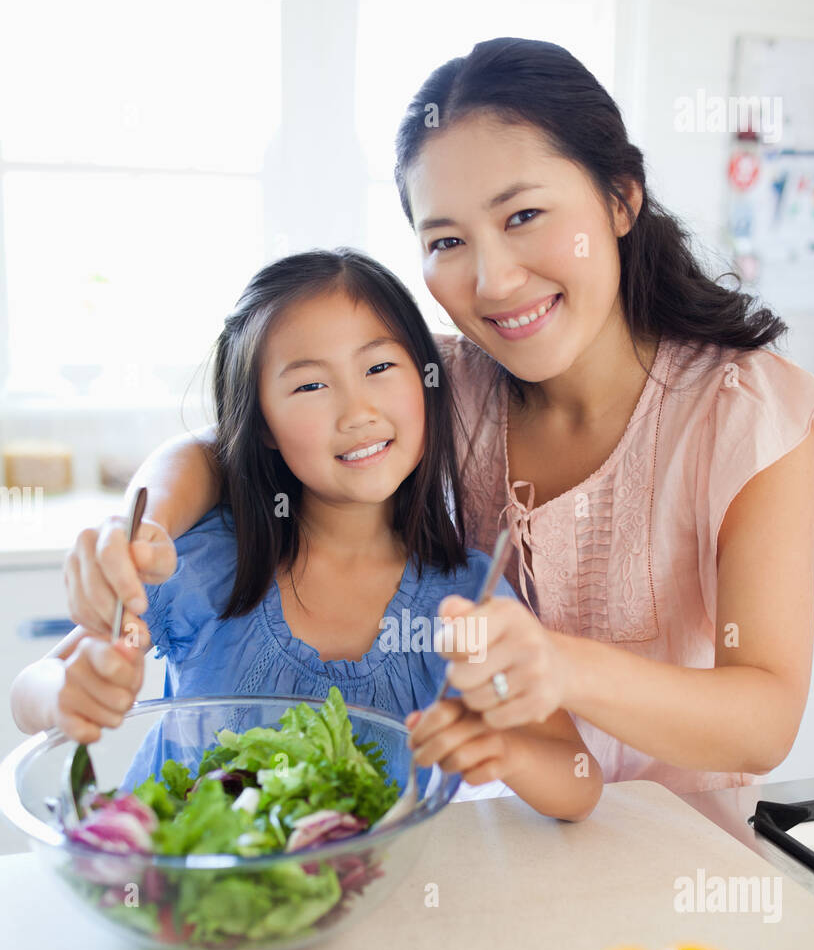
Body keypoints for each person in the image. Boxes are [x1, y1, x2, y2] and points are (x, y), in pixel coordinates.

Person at [60, 38, 814, 794]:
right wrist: (140, 534)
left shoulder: (749, 415)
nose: (494, 280)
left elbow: (764, 719)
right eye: (446, 239)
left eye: (524, 215)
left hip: (682, 855)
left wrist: (562, 666)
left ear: (619, 199)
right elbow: (231, 444)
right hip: (499, 850)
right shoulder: (447, 381)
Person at [10, 249, 601, 824]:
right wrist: (68, 696)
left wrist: (507, 753)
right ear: (263, 426)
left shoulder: (468, 599)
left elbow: (579, 783)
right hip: (183, 897)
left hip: (366, 902)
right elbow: (31, 690)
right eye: (310, 386)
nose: (356, 410)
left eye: (378, 368)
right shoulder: (208, 565)